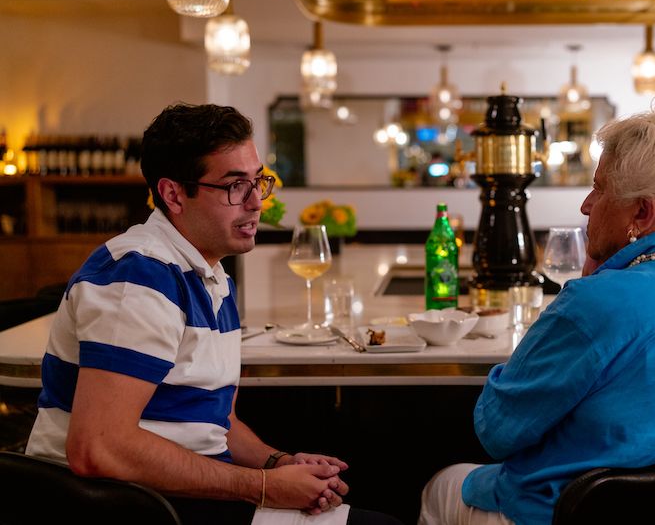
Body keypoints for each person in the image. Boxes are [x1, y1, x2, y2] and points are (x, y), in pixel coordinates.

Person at [25, 103, 401, 525]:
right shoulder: (139, 278)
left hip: (175, 494)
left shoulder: (211, 274)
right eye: (235, 186)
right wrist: (261, 486)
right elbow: (99, 447)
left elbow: (215, 421)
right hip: (125, 505)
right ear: (172, 194)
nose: (257, 202)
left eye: (259, 181)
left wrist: (277, 463)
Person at [418, 101, 655, 525]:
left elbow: (496, 431)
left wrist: (580, 298)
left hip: (574, 515)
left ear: (642, 211)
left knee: (442, 484)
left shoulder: (596, 302)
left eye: (600, 189)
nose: (586, 204)